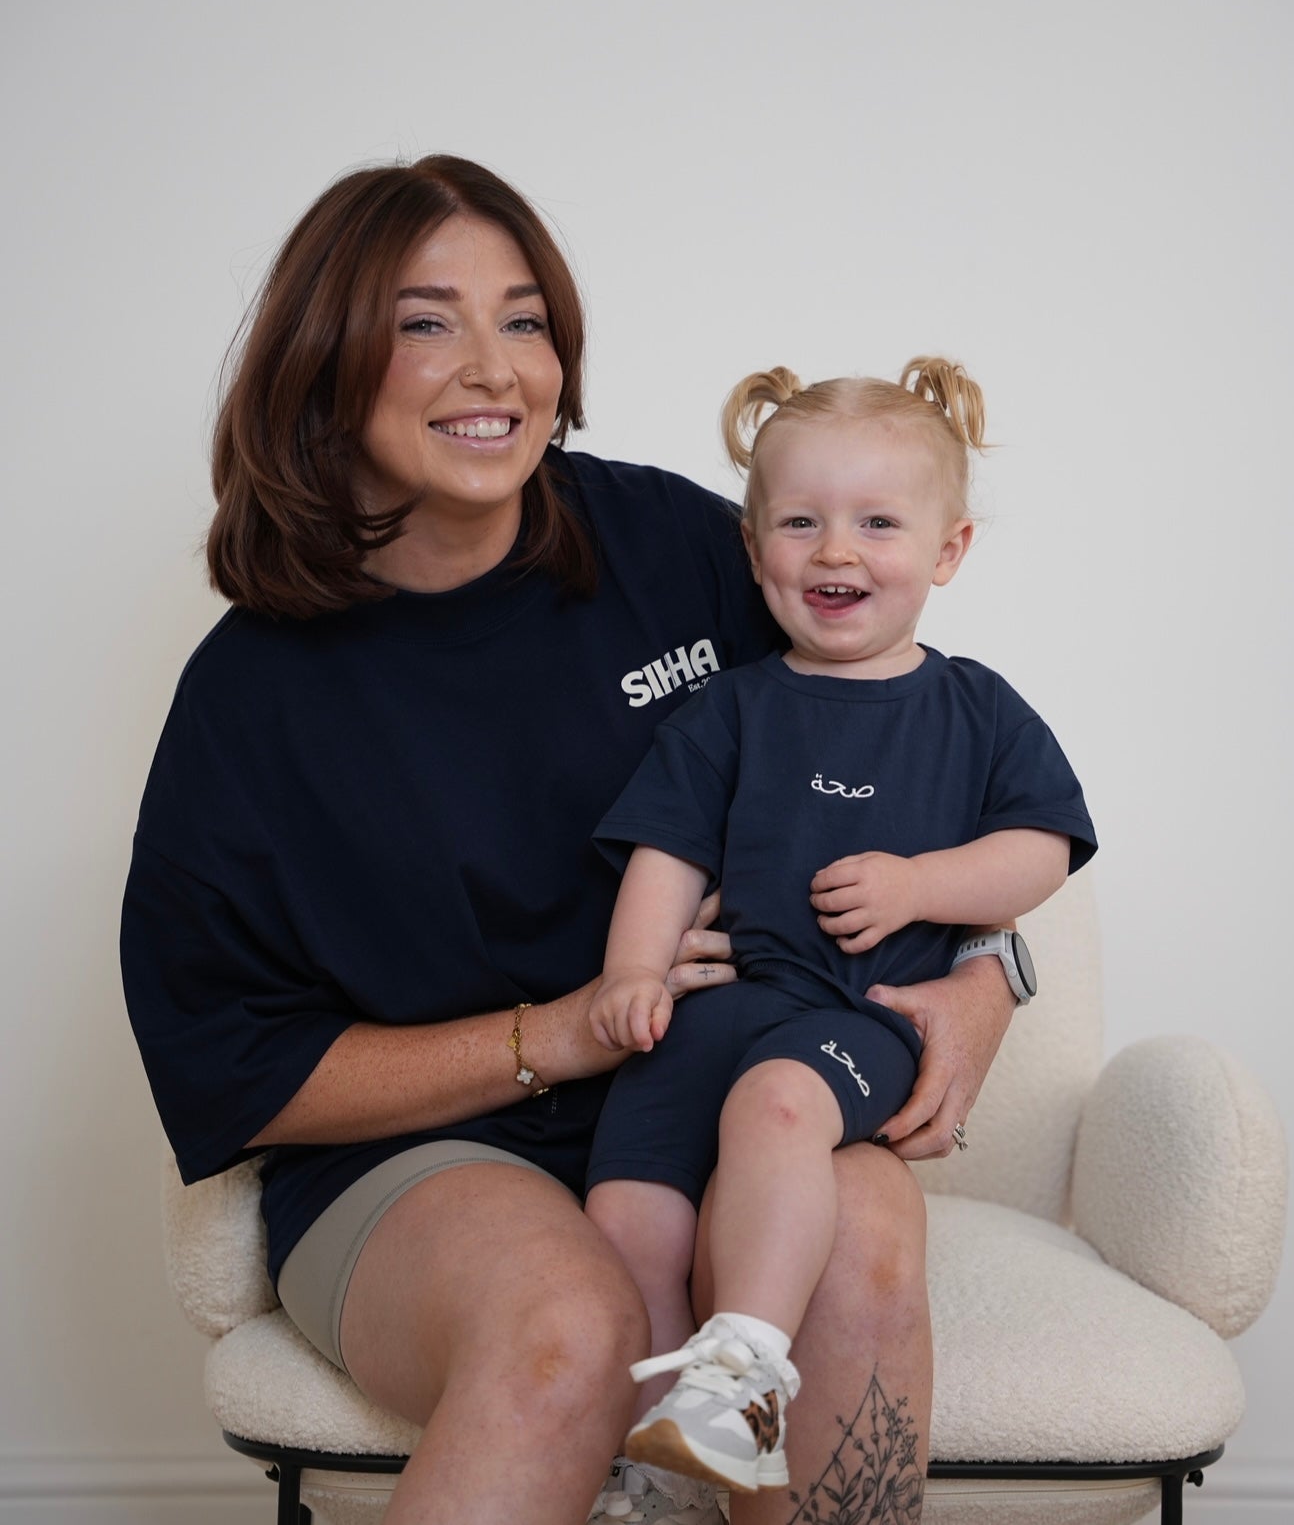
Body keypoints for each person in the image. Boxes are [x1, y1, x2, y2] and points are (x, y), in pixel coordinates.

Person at [121, 154, 1026, 1525]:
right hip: (427, 1156)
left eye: (526, 318)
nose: (492, 367)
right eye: (426, 320)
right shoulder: (253, 695)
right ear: (328, 359)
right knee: (568, 1326)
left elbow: (918, 753)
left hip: (730, 1091)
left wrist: (988, 977)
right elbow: (235, 1071)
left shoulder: (677, 545)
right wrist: (558, 1031)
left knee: (867, 1253)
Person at [583, 363, 1096, 1496]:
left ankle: (747, 1370)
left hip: (856, 1018)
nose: (836, 551)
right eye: (800, 522)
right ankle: (661, 1457)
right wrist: (632, 969)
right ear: (756, 544)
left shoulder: (974, 708)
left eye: (877, 523)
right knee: (626, 1213)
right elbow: (669, 849)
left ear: (948, 550)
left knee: (778, 1109)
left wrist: (921, 886)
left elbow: (1042, 850)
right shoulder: (730, 706)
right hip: (715, 1013)